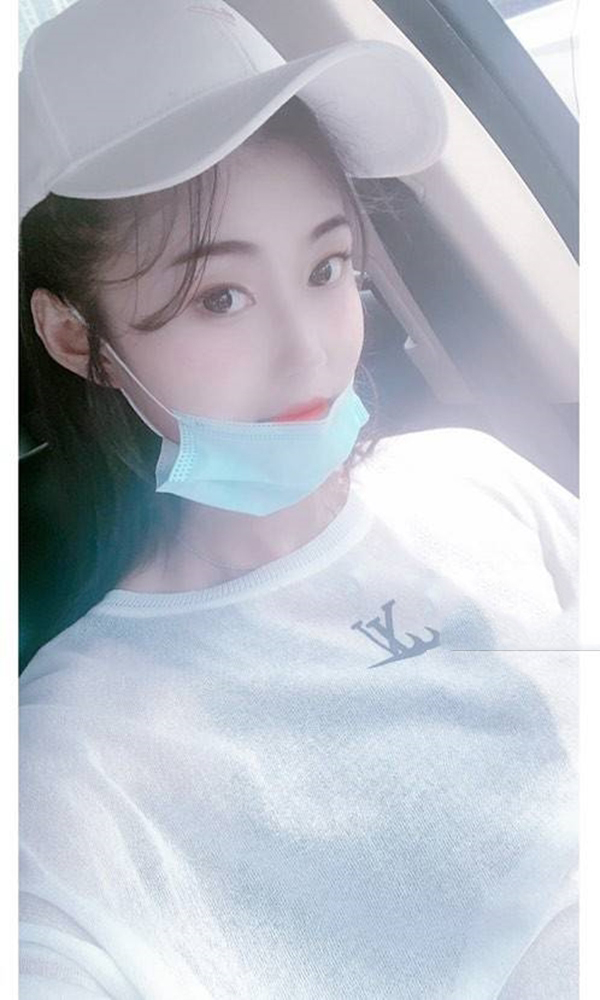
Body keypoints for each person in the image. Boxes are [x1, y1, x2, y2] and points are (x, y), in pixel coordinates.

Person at [19, 1, 578, 998]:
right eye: (219, 297)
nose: (312, 352)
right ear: (76, 337)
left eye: (326, 268)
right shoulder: (74, 760)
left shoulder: (477, 481)